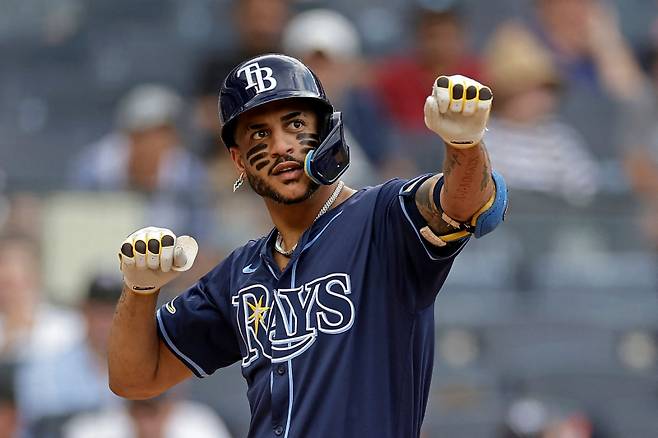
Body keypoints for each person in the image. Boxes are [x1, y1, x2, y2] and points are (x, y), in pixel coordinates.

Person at [107, 54, 507, 437]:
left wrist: (464, 146)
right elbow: (135, 378)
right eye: (260, 133)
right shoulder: (239, 273)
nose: (281, 145)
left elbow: (462, 204)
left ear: (327, 130)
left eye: (295, 124)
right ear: (238, 160)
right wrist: (140, 290)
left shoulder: (383, 217)